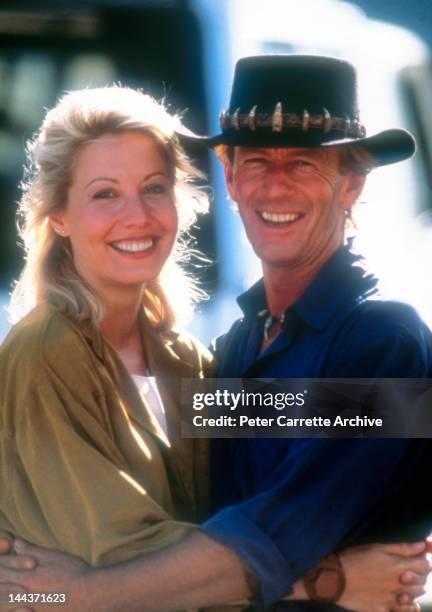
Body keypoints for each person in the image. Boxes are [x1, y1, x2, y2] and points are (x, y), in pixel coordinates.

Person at [0, 60, 431, 612]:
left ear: (352, 182)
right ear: (230, 179)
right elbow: (141, 540)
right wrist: (333, 580)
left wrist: (86, 592)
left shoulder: (385, 342)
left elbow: (279, 523)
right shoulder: (236, 349)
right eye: (255, 162)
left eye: (303, 163)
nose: (276, 185)